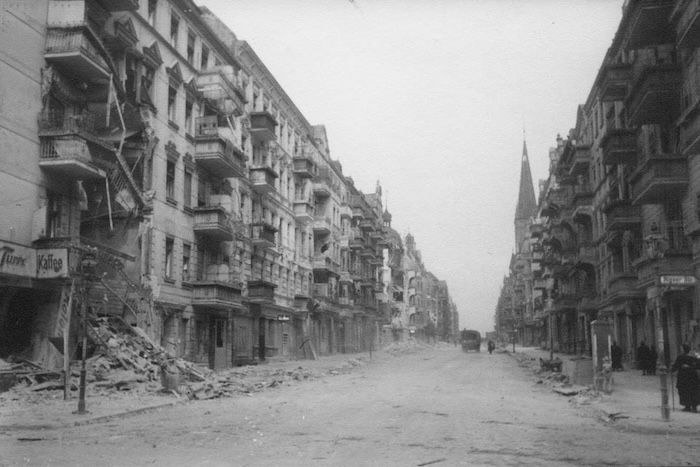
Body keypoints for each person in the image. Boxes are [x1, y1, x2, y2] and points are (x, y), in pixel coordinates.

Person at [671, 344, 700, 413]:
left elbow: (676, 365)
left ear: (683, 349)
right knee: (693, 391)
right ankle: (693, 406)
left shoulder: (681, 357)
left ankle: (687, 406)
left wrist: (672, 370)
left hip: (683, 377)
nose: (680, 349)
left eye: (681, 348)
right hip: (693, 376)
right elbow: (698, 366)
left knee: (684, 391)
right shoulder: (694, 357)